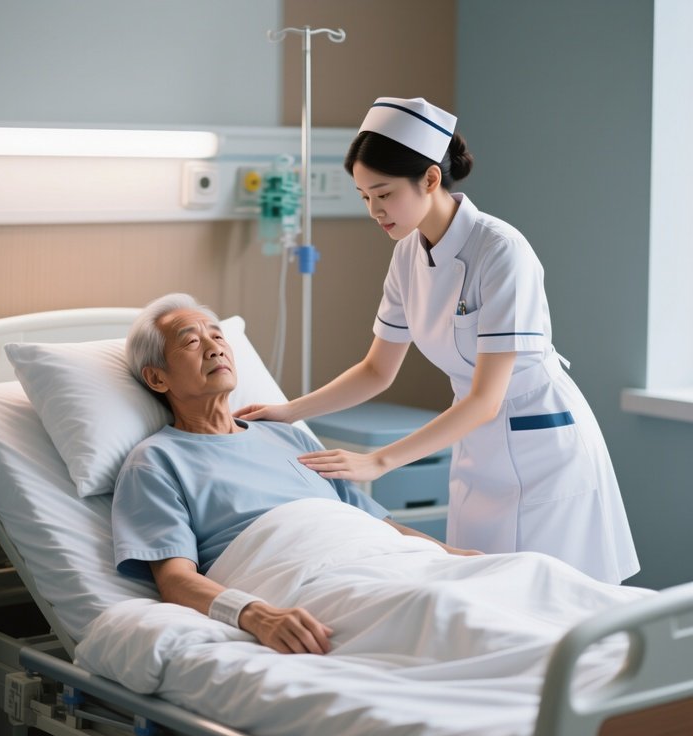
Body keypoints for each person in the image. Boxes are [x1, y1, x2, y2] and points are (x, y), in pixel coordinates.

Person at [237, 96, 639, 585]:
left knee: (557, 602)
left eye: (383, 194)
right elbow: (376, 370)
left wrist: (378, 461)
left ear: (430, 179)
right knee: (480, 595)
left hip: (544, 455)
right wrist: (288, 411)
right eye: (364, 197)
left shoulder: (501, 251)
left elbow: (487, 398)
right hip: (476, 453)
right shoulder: (408, 254)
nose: (374, 211)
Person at [112, 293, 480, 657]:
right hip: (305, 580)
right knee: (440, 614)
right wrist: (255, 614)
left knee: (520, 578)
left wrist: (454, 556)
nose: (214, 347)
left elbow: (378, 525)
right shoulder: (156, 462)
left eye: (218, 335)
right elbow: (175, 581)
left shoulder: (288, 435)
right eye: (191, 341)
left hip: (384, 558)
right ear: (157, 379)